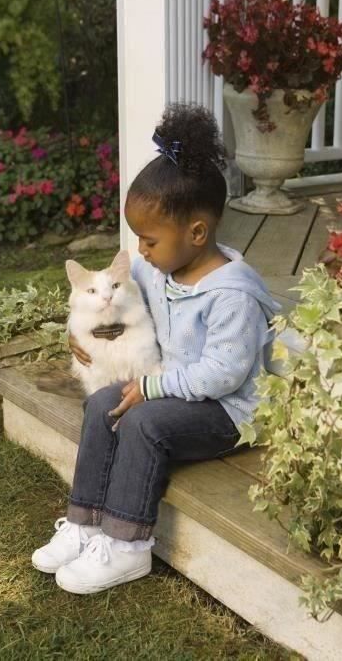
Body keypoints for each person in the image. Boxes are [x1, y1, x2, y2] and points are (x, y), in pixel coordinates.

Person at [32, 103, 281, 595]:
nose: (140, 251)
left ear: (196, 233)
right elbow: (114, 306)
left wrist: (151, 387)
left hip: (230, 412)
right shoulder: (158, 269)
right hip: (171, 388)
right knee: (102, 404)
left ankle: (127, 545)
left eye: (149, 240)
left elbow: (223, 374)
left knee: (143, 423)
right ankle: (85, 523)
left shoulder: (232, 295)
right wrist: (82, 335)